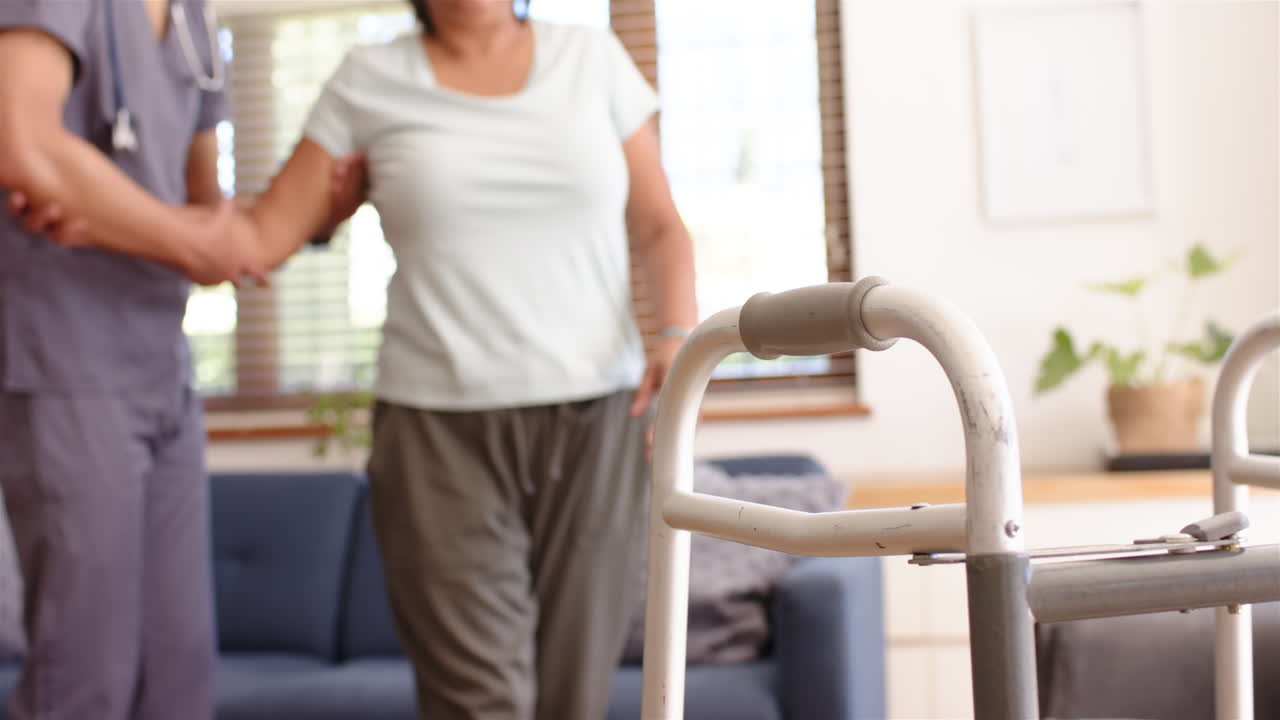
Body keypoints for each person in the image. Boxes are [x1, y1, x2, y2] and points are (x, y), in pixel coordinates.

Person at [0, 2, 354, 718]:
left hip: (162, 363)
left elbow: (207, 211)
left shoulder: (193, 18)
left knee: (179, 681)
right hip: (67, 363)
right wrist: (178, 236)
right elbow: (24, 147)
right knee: (87, 676)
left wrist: (116, 211)